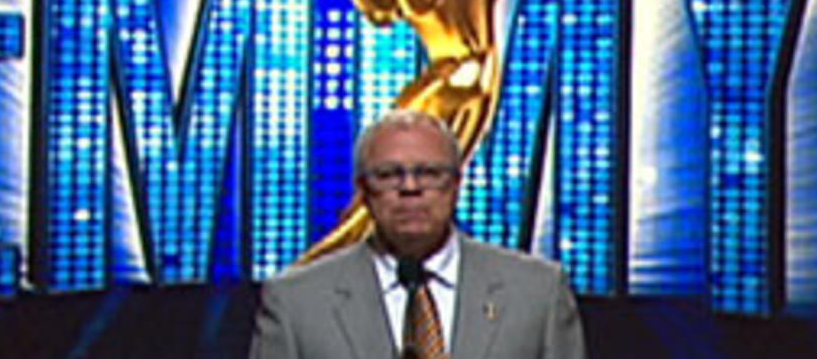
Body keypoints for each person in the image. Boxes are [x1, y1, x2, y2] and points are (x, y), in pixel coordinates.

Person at [249, 110, 587, 358]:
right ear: (363, 191)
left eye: (429, 173)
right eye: (388, 175)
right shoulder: (296, 302)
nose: (410, 188)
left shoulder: (538, 293)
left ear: (456, 185)